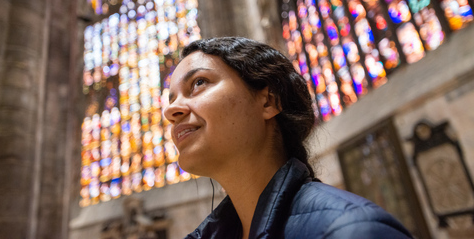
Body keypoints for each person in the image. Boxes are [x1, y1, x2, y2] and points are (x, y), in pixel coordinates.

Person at [164, 37, 413, 239]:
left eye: (198, 83)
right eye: (171, 99)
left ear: (269, 101)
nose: (170, 111)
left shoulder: (353, 230)